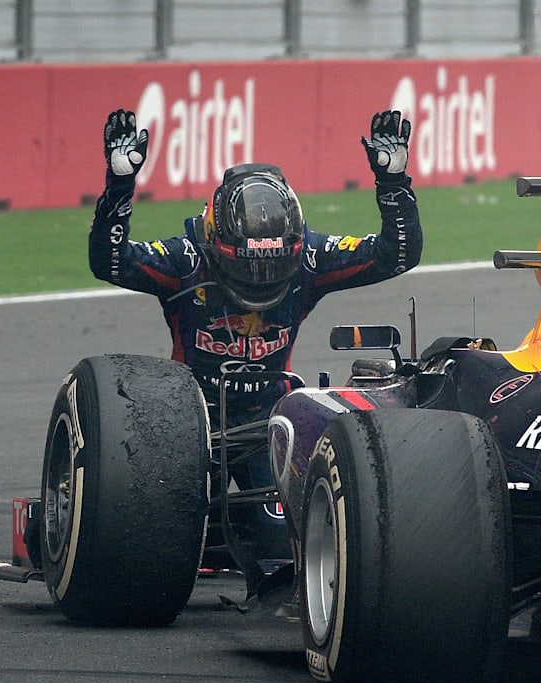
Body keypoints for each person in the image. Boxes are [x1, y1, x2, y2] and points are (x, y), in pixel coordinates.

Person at [88, 107, 421, 596]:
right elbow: (110, 263)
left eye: (270, 268)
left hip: (269, 420)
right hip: (188, 421)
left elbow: (396, 255)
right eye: (249, 267)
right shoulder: (187, 259)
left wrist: (392, 181)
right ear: (218, 241)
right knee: (157, 533)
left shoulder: (309, 257)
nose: (260, 279)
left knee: (283, 538)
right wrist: (119, 186)